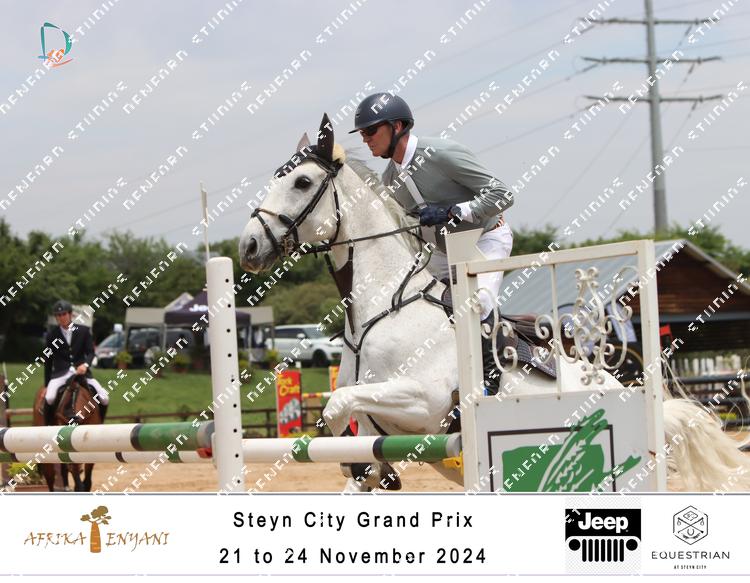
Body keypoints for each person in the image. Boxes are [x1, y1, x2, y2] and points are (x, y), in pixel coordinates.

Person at [350, 92, 514, 322]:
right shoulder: (389, 179)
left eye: (370, 131)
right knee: (414, 308)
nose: (365, 139)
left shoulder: (442, 154)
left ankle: (501, 344)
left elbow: (503, 195)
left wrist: (453, 212)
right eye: (362, 134)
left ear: (396, 126)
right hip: (443, 253)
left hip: (484, 240)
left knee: (477, 306)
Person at [43, 300, 109, 424]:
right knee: (50, 397)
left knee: (104, 398)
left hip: (82, 372)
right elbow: (48, 361)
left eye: (64, 314)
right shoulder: (52, 335)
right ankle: (48, 426)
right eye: (58, 315)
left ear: (70, 314)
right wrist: (46, 385)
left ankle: (100, 424)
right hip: (61, 373)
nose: (61, 317)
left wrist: (85, 365)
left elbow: (91, 352)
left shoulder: (83, 331)